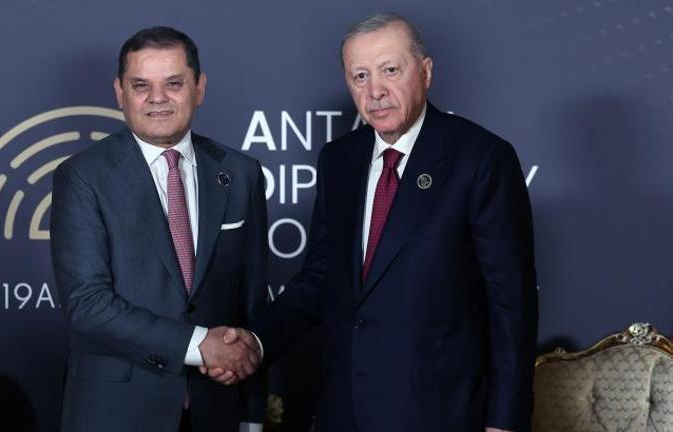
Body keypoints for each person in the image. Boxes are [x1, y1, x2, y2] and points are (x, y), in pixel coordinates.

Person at [210, 12, 538, 432]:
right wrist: (256, 342)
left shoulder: (481, 159)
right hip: (345, 410)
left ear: (425, 72)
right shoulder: (339, 159)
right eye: (360, 76)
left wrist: (505, 421)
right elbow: (320, 279)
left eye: (390, 70)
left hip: (440, 412)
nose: (375, 91)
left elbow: (511, 304)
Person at [50, 26, 266, 432]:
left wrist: (251, 417)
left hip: (216, 411)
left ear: (199, 88)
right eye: (141, 85)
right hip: (117, 414)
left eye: (173, 83)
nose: (157, 98)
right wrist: (200, 345)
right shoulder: (82, 176)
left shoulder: (241, 173)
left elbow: (251, 307)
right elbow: (88, 304)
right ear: (120, 92)